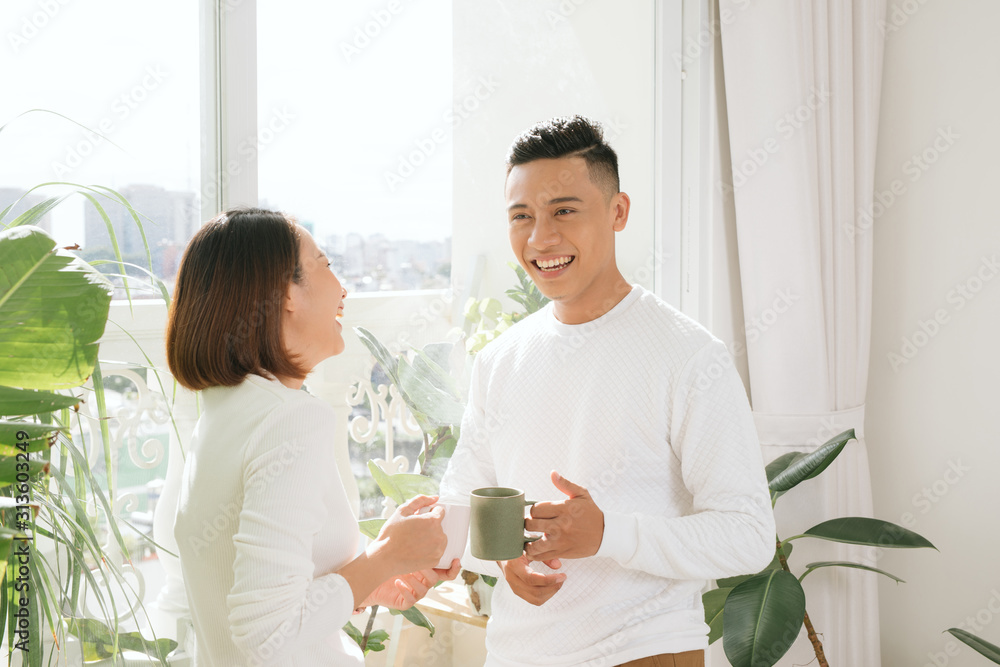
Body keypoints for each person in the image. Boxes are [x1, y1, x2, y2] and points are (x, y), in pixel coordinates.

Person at [439, 116, 777, 667]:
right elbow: (462, 501)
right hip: (516, 653)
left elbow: (748, 536)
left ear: (618, 212)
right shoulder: (499, 360)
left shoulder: (689, 356)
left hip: (643, 650)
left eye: (564, 211)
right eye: (521, 216)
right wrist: (500, 561)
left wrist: (607, 534)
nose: (540, 237)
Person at [168, 207, 459, 666]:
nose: (343, 289)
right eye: (325, 265)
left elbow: (241, 587)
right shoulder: (289, 420)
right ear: (286, 293)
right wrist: (382, 558)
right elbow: (266, 636)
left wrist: (368, 581)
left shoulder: (223, 410)